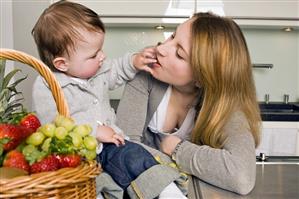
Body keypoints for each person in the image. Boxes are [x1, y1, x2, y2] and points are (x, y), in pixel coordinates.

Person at [31, 1, 187, 198]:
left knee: (135, 156)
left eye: (101, 49)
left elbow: (116, 70)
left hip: (111, 145)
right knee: (93, 183)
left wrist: (134, 61)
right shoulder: (46, 85)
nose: (102, 56)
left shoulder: (98, 71)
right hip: (73, 156)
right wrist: (94, 131)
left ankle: (168, 190)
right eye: (94, 54)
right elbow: (51, 123)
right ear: (62, 64)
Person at [117, 12, 261, 196]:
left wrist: (176, 148)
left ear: (202, 78)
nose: (161, 48)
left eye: (179, 53)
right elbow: (123, 145)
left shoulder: (225, 106)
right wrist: (173, 162)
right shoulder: (145, 74)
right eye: (172, 36)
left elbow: (242, 177)